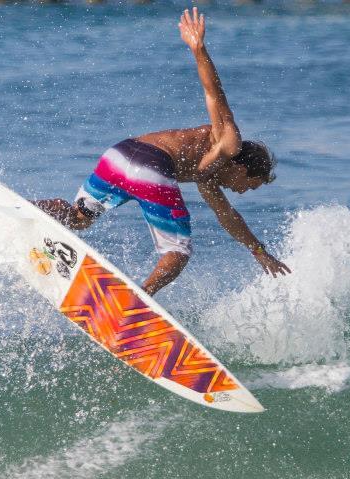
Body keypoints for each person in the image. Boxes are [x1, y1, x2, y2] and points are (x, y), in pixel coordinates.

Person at [33, 7, 291, 296]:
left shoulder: (208, 179)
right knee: (177, 251)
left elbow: (228, 216)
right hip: (151, 166)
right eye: (249, 186)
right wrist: (198, 49)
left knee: (79, 219)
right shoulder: (228, 143)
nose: (242, 192)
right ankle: (138, 298)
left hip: (119, 156)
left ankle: (30, 209)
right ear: (243, 168)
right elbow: (213, 93)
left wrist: (258, 250)